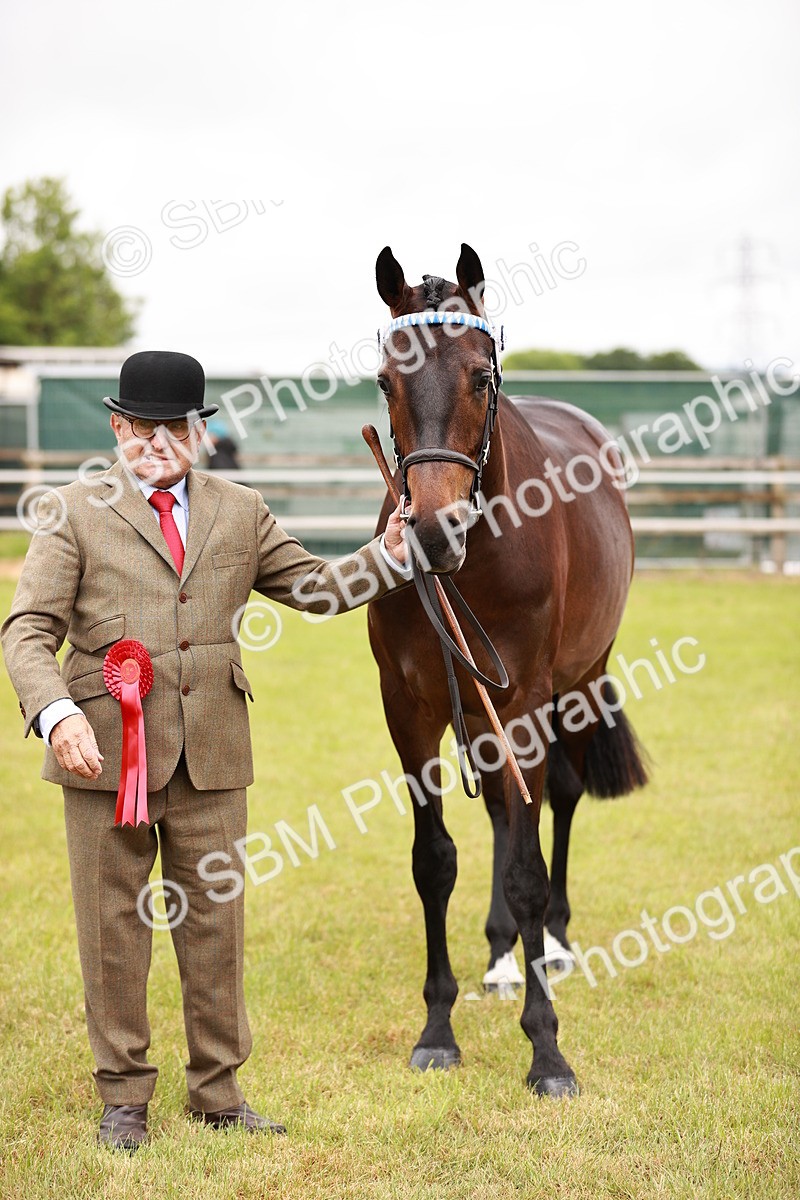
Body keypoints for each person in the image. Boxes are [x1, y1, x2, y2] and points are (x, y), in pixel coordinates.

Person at [1, 350, 410, 1151]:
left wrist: (392, 554)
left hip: (214, 755)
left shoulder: (241, 510)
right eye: (143, 426)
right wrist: (56, 714)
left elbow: (320, 589)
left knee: (217, 926)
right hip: (102, 756)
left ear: (201, 433)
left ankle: (218, 1093)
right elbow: (26, 632)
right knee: (112, 928)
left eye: (176, 426)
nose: (159, 441)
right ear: (118, 428)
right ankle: (123, 1096)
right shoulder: (72, 511)